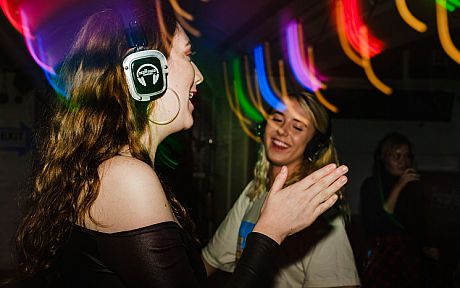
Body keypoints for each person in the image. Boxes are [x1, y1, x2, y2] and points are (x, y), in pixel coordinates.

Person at [12, 0, 349, 287]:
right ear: (147, 71)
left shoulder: (115, 168)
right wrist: (270, 232)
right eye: (188, 56)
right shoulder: (126, 177)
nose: (199, 76)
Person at [202, 93, 360, 287]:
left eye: (297, 127)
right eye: (277, 119)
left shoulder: (317, 205)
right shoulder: (255, 190)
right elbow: (210, 260)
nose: (282, 131)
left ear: (314, 145)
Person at [359, 132, 424, 287]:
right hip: (384, 256)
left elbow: (419, 222)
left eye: (407, 156)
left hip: (410, 257)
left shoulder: (414, 186)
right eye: (397, 156)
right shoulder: (372, 185)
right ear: (384, 158)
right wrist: (399, 186)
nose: (404, 162)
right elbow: (377, 223)